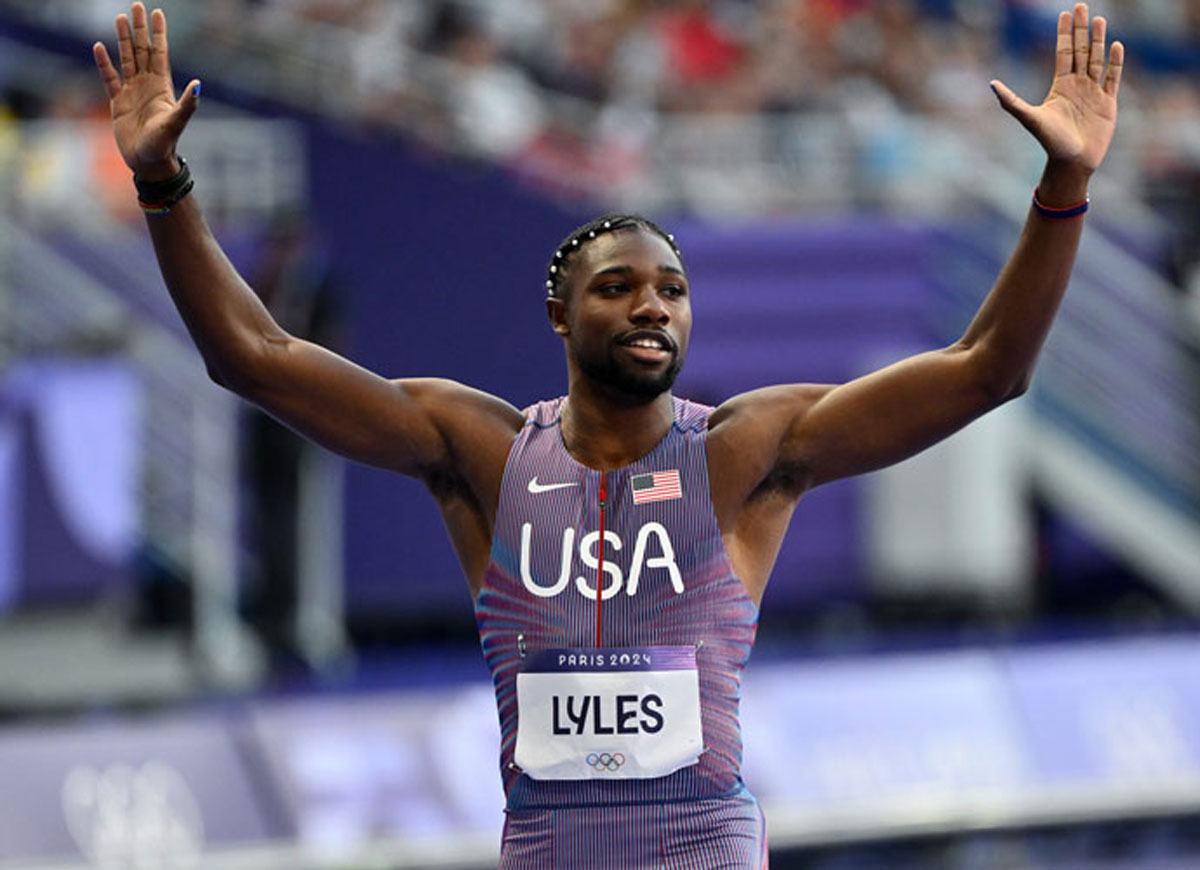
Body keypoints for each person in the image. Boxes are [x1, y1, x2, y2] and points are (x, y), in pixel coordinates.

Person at [93, 4, 1122, 866]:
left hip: (702, 849)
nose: (651, 307)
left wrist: (1064, 184)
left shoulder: (744, 452)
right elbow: (255, 357)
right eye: (618, 287)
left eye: (672, 289)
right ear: (559, 314)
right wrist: (164, 184)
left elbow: (989, 368)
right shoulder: (480, 451)